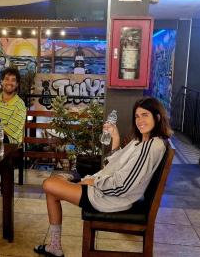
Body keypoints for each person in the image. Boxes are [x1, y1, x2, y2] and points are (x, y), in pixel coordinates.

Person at [34, 97, 172, 257]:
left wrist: (93, 181)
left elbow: (123, 186)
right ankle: (54, 246)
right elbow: (114, 164)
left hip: (110, 198)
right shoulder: (140, 142)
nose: (140, 120)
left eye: (145, 115)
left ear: (157, 117)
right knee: (52, 189)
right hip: (106, 191)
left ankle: (67, 180)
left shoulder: (151, 146)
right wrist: (116, 137)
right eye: (137, 116)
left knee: (49, 184)